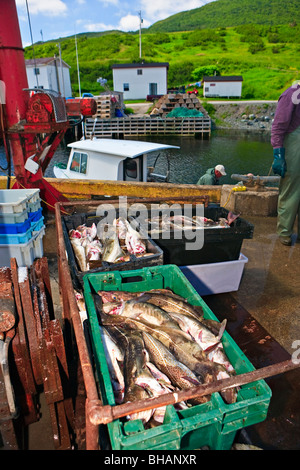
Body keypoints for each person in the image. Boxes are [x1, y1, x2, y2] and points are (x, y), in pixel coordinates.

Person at [271, 81, 300, 246]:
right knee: (291, 191)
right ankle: (285, 233)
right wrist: (278, 154)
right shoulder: (293, 93)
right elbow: (278, 125)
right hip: (294, 145)